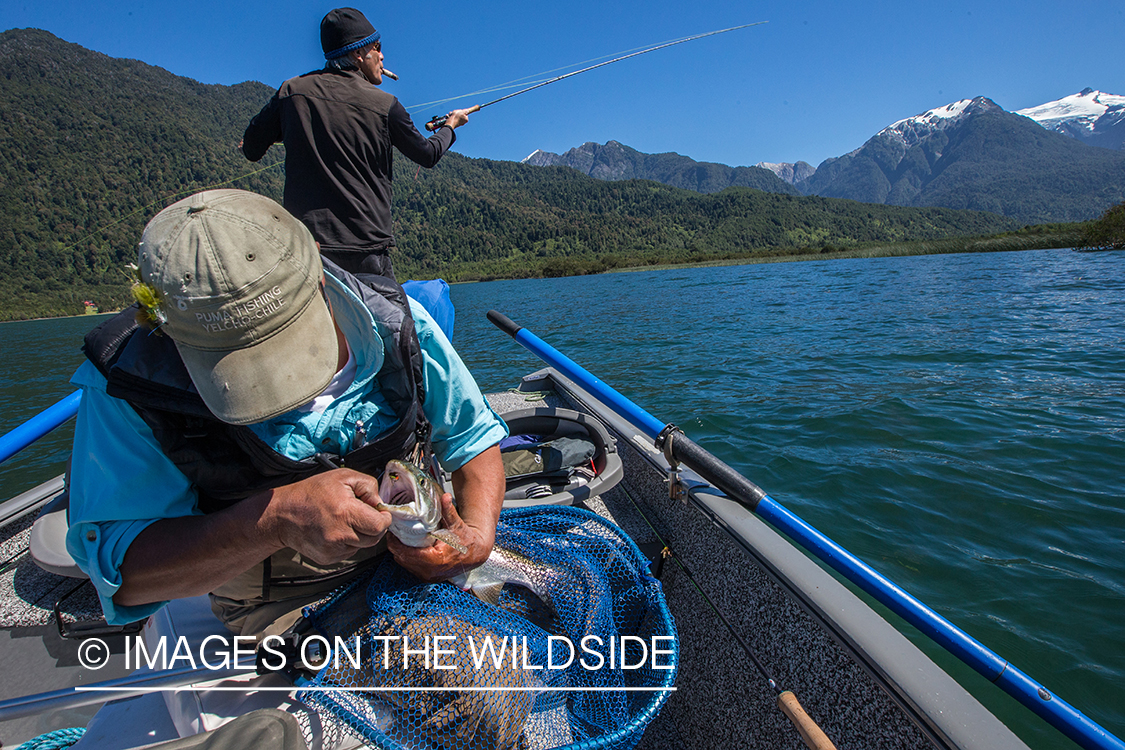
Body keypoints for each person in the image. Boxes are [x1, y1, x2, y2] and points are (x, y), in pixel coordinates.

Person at [65, 189, 507, 638]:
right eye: (228, 359)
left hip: (416, 576)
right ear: (162, 325)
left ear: (316, 263)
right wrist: (273, 521)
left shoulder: (396, 322)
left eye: (284, 337)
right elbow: (126, 580)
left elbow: (472, 438)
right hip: (282, 609)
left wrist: (475, 539)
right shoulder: (127, 386)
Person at [241, 7, 473, 281]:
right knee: (396, 325)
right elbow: (428, 154)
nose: (382, 56)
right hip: (367, 253)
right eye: (377, 47)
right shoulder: (386, 105)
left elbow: (251, 149)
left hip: (306, 252)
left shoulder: (291, 92)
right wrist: (451, 125)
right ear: (358, 54)